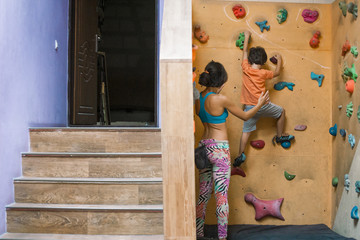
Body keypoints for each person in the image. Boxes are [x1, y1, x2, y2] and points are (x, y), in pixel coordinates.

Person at [195, 60, 269, 240]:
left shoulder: (199, 100)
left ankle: (198, 233)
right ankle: (222, 237)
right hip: (219, 150)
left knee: (203, 195)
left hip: (203, 147)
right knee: (221, 196)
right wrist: (259, 103)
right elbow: (245, 115)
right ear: (220, 82)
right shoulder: (220, 99)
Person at [234, 31, 295, 168]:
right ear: (263, 61)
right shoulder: (263, 73)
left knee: (246, 132)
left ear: (250, 60)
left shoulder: (245, 68)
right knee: (281, 112)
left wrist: (247, 37)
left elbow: (244, 51)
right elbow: (277, 73)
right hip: (263, 106)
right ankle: (279, 136)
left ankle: (240, 154)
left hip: (250, 108)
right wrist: (279, 60)